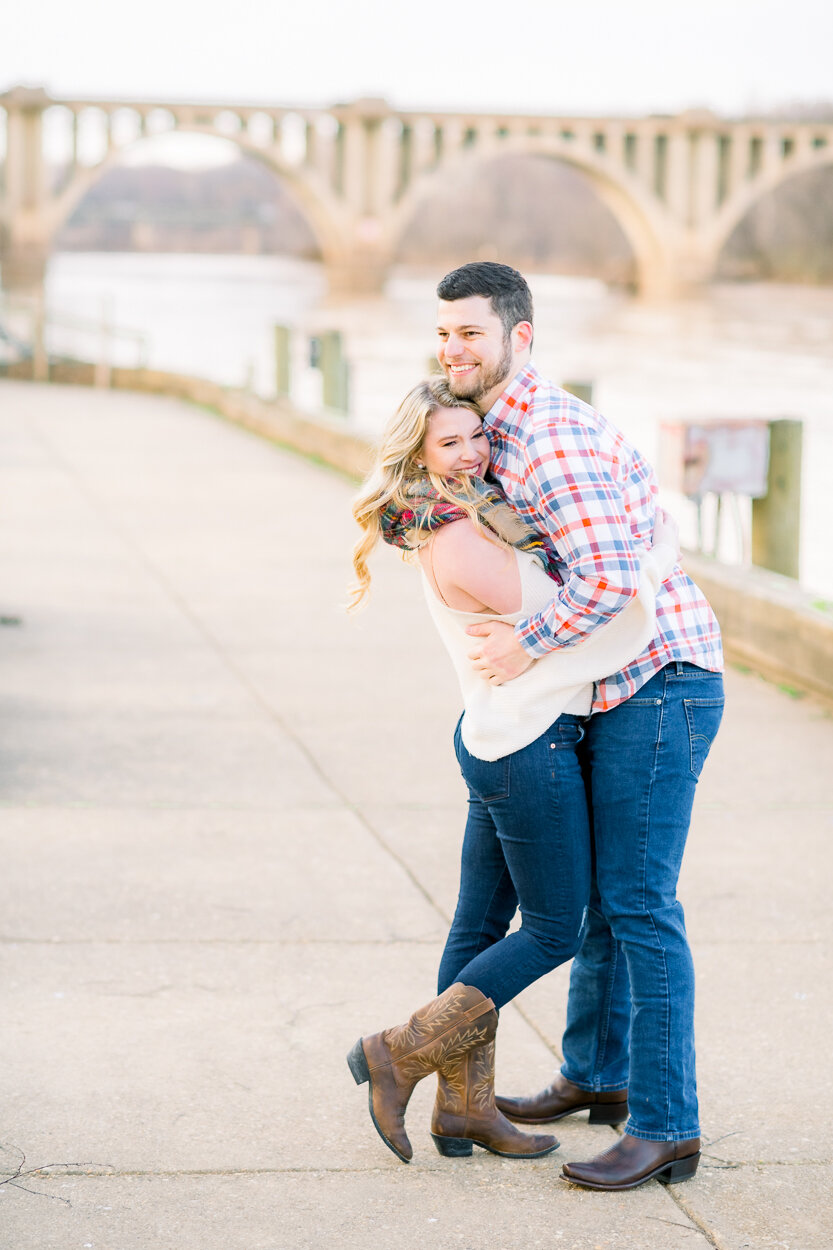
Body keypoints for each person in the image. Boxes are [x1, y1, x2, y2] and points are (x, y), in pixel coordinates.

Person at [431, 261, 724, 1191]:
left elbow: (603, 581)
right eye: (443, 334)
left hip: (660, 681)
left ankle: (667, 1124)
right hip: (610, 684)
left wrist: (523, 648)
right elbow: (635, 529)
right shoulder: (492, 437)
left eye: (470, 333)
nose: (453, 350)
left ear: (521, 336)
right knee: (600, 900)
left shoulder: (546, 436)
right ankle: (595, 1076)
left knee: (638, 903)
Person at [346, 379, 678, 1167]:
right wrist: (653, 547)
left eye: (475, 437)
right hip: (526, 744)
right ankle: (398, 1051)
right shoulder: (458, 534)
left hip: (500, 734)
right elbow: (588, 618)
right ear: (417, 456)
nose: (470, 453)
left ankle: (463, 1112)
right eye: (448, 443)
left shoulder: (465, 513)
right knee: (556, 927)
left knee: (477, 927)